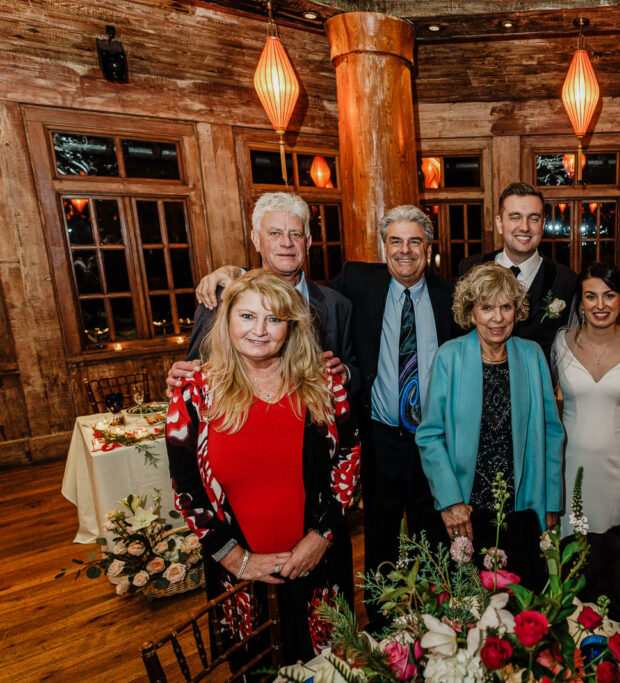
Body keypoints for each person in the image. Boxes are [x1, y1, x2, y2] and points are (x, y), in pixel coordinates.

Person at [186, 206, 458, 620]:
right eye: (395, 242)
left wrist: (343, 371)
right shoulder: (358, 281)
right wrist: (233, 271)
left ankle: (439, 619)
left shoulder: (448, 295)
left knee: (435, 533)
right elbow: (278, 272)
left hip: (432, 440)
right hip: (375, 438)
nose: (405, 251)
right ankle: (383, 626)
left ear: (429, 247)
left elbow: (346, 356)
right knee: (380, 538)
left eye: (415, 241)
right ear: (382, 248)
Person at [166, 270, 360, 664]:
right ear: (227, 321)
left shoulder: (324, 382)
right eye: (247, 316)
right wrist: (237, 559)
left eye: (274, 319)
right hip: (237, 571)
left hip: (319, 562)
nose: (260, 329)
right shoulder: (195, 392)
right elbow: (186, 487)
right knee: (256, 667)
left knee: (330, 667)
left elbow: (349, 460)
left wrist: (320, 536)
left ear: (291, 327)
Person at [416, 263, 564, 586]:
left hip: (522, 508)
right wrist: (451, 501)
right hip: (465, 510)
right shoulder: (449, 357)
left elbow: (553, 432)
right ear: (471, 313)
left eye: (506, 307)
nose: (497, 318)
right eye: (486, 307)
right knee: (466, 608)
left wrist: (551, 501)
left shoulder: (532, 355)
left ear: (517, 311)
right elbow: (429, 435)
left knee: (523, 603)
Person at [167, 192, 358, 395]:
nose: (287, 243)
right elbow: (195, 370)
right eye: (275, 233)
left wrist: (345, 373)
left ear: (308, 242)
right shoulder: (223, 296)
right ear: (256, 240)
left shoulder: (336, 304)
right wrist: (182, 379)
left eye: (296, 234)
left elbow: (356, 371)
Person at [553, 262, 620, 535]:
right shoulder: (560, 343)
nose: (600, 305)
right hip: (569, 465)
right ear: (580, 303)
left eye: (609, 295)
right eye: (591, 296)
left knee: (616, 552)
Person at [459, 182, 576, 362]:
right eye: (515, 217)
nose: (524, 227)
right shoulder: (470, 268)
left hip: (537, 383)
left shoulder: (565, 280)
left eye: (533, 218)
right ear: (500, 223)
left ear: (542, 225)